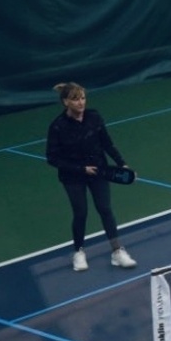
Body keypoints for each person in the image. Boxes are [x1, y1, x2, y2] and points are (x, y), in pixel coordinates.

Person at [44, 82, 137, 272]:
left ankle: (117, 252)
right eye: (75, 99)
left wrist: (122, 164)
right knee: (81, 213)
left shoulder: (94, 117)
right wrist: (80, 168)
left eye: (83, 98)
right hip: (73, 177)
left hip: (99, 172)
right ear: (65, 102)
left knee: (105, 209)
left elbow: (107, 144)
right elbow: (52, 158)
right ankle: (78, 252)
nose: (80, 103)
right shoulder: (57, 126)